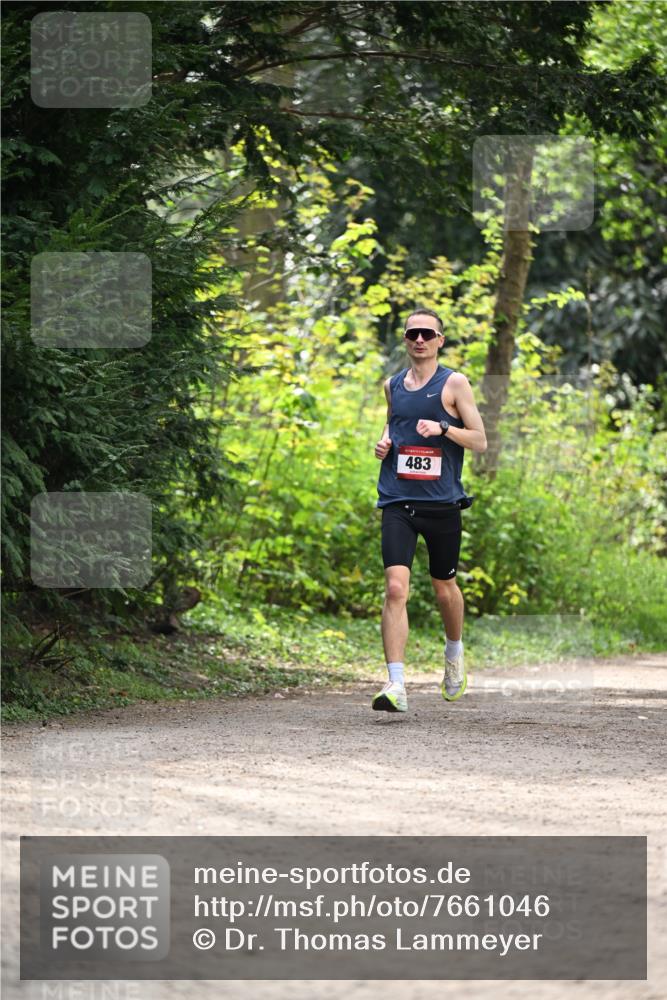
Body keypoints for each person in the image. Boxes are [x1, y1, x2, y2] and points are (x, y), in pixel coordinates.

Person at [372, 308, 487, 713]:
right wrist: (384, 443)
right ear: (405, 340)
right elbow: (394, 424)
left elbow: (479, 440)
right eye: (412, 334)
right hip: (397, 500)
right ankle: (396, 684)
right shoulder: (392, 385)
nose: (419, 340)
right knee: (395, 588)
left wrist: (442, 429)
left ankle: (454, 653)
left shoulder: (454, 383)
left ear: (440, 340)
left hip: (441, 504)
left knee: (444, 588)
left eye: (427, 333)